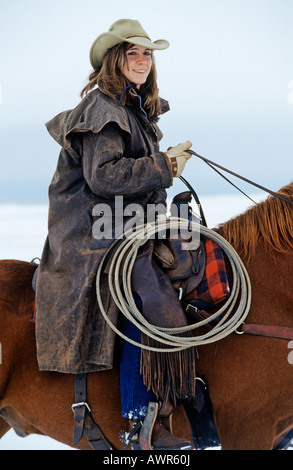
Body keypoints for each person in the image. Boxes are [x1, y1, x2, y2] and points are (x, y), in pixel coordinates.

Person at [35, 19, 194, 450]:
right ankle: (139, 422)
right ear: (115, 59)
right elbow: (104, 177)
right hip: (91, 236)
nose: (142, 61)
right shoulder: (103, 110)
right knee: (146, 300)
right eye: (133, 53)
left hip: (123, 225)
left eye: (148, 54)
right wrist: (165, 166)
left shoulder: (132, 109)